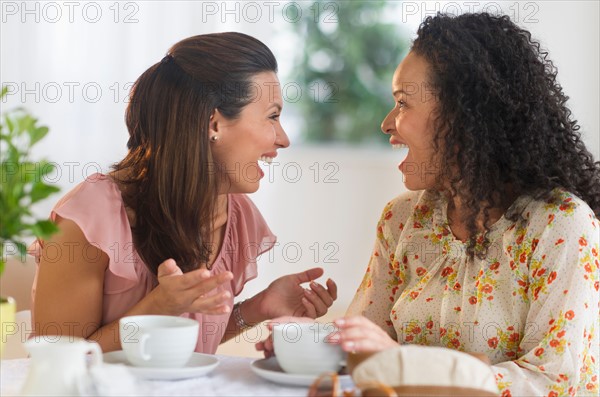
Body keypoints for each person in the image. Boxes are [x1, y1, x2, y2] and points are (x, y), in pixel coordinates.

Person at [257, 13, 600, 396]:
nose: (387, 123)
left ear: (466, 117)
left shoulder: (561, 226)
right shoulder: (402, 219)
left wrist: (405, 364)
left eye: (403, 104)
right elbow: (367, 347)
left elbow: (555, 383)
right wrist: (310, 343)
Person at [30, 32, 337, 354]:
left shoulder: (239, 217)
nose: (283, 139)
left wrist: (258, 308)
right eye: (272, 116)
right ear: (213, 124)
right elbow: (54, 362)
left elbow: (186, 347)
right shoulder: (92, 217)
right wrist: (158, 308)